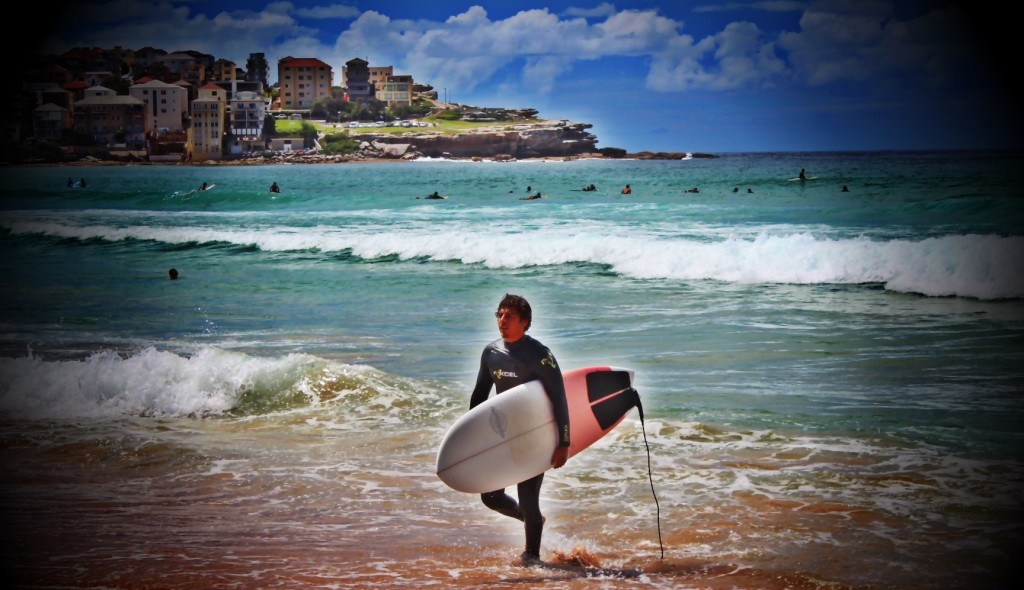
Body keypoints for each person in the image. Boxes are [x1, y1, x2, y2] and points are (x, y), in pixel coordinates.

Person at [469, 294, 570, 564]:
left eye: (509, 316)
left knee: (528, 499)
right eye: (499, 314)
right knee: (490, 496)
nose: (502, 320)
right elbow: (479, 397)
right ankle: (532, 520)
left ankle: (531, 557)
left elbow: (559, 398)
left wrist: (564, 443)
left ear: (525, 322)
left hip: (535, 436)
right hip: (503, 436)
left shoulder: (540, 355)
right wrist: (471, 437)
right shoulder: (491, 353)